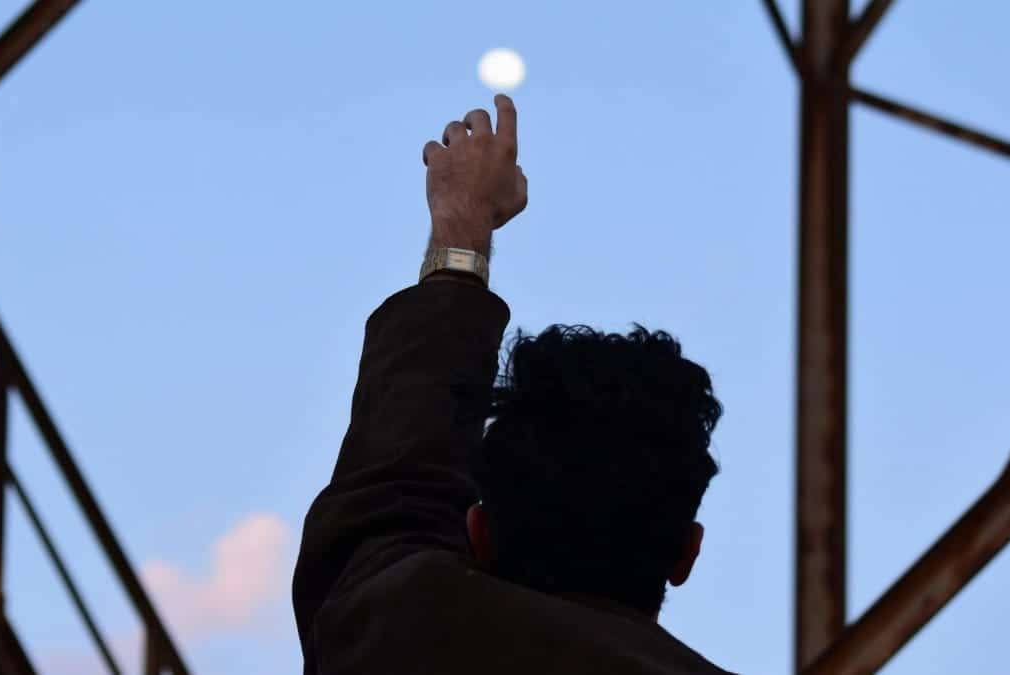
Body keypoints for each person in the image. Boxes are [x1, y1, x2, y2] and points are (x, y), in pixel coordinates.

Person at [292, 94, 734, 674]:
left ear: (479, 531)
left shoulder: (401, 631)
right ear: (687, 552)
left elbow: (389, 495)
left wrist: (463, 228)